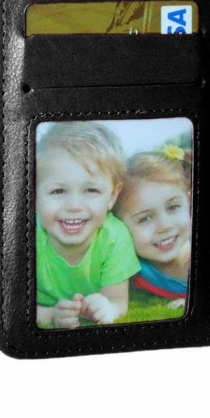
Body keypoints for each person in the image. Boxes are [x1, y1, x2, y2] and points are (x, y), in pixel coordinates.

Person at [36, 121, 141, 328]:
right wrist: (50, 315)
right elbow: (13, 305)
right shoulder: (27, 235)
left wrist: (108, 308)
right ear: (35, 194)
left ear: (112, 196)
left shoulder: (115, 236)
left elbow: (117, 301)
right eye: (58, 191)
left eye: (91, 190)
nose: (74, 206)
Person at [115, 146, 192, 307]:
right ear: (119, 226)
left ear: (189, 201)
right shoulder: (132, 269)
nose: (165, 226)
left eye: (173, 207)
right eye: (145, 219)